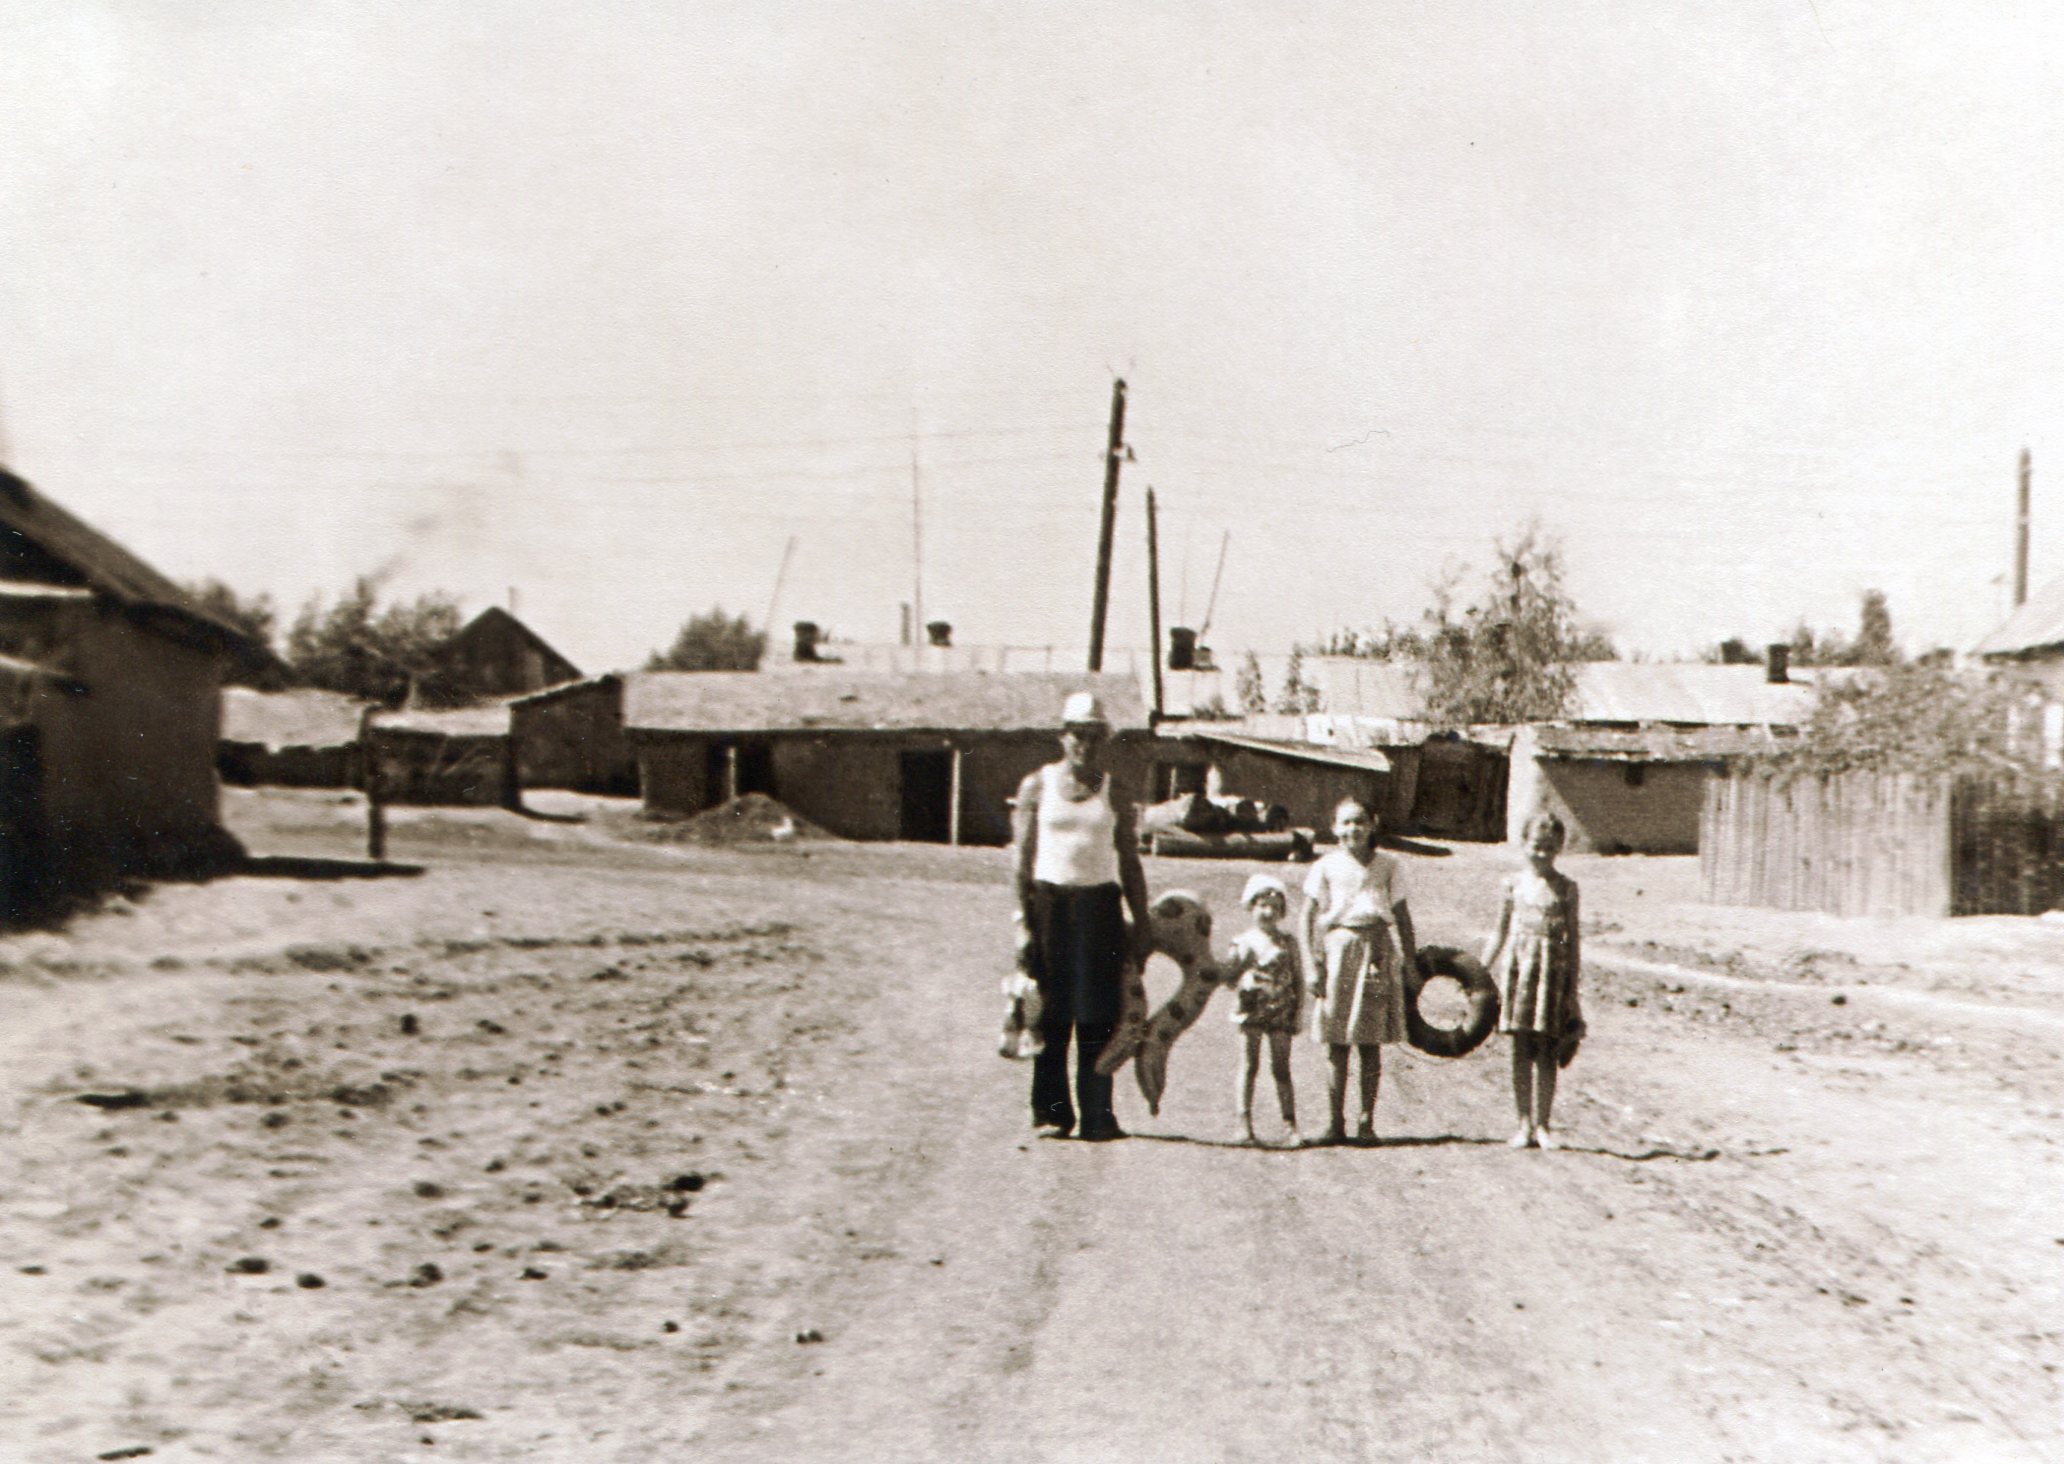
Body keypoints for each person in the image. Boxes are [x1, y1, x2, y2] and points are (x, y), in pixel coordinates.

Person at [1012, 691, 1152, 1141]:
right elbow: (1021, 859)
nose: (1084, 745)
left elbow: (1129, 861)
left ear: (1103, 739)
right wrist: (1022, 921)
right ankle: (1053, 1112)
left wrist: (1142, 922)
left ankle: (1097, 1114)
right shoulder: (1038, 785)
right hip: (1050, 905)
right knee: (1050, 1010)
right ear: (1063, 737)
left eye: (1093, 736)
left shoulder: (1116, 790)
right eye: (1077, 735)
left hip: (1099, 908)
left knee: (1098, 1014)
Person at [1299, 797, 1419, 1146]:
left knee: (1369, 1041)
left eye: (1360, 821)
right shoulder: (1325, 866)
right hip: (1338, 951)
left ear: (1372, 825)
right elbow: (1306, 916)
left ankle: (1366, 1122)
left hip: (1378, 950)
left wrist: (1410, 963)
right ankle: (1333, 1122)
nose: (1353, 829)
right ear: (1335, 828)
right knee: (1336, 1041)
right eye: (1346, 822)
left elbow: (1403, 916)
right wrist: (1311, 963)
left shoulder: (1388, 866)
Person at [1482, 810, 1584, 1150]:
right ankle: (1523, 1122)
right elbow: (1498, 933)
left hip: (1552, 975)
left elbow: (1574, 942)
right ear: (1523, 844)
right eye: (1536, 846)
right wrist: (1479, 971)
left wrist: (1573, 992)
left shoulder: (1567, 888)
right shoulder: (1511, 884)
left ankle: (1544, 1125)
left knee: (1548, 1051)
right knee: (1521, 1049)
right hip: (1519, 974)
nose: (1542, 853)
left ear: (1559, 849)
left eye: (1550, 847)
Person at [1224, 872, 1302, 1146]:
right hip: (1251, 1010)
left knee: (1281, 1067)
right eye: (1261, 905)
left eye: (1274, 906)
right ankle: (1243, 1123)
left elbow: (1299, 979)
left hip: (1281, 1009)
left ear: (1282, 911)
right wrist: (1239, 969)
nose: (1268, 912)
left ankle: (1289, 1125)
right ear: (1251, 906)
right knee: (1249, 1065)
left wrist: (1298, 1012)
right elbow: (1229, 979)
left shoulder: (1288, 943)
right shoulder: (1241, 942)